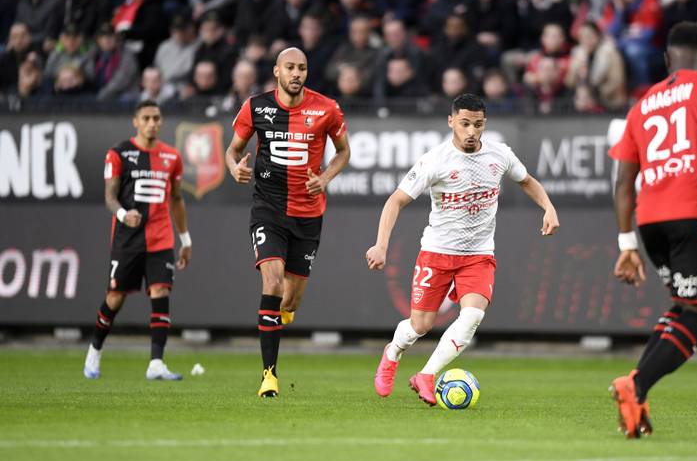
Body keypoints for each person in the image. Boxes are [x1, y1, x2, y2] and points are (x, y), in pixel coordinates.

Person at [367, 93, 560, 406]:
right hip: (437, 252)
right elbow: (396, 200)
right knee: (421, 325)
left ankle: (426, 375)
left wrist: (548, 207)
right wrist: (381, 244)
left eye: (478, 125)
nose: (471, 131)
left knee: (472, 315)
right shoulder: (435, 161)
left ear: (485, 125)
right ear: (451, 122)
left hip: (478, 255)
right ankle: (392, 353)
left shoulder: (499, 154)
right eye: (465, 124)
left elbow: (527, 181)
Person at [607, 21, 697, 438]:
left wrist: (627, 243)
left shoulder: (644, 102)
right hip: (694, 213)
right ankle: (636, 385)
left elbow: (622, 182)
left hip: (650, 222)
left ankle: (638, 393)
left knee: (686, 307)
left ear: (667, 60)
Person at [225, 47, 351, 398]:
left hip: (308, 213)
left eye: (303, 68)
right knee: (273, 280)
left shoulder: (326, 108)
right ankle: (269, 375)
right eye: (290, 68)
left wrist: (324, 178)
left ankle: (281, 316)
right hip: (269, 207)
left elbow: (344, 152)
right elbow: (232, 150)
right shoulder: (256, 106)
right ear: (277, 71)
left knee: (290, 301)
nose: (297, 74)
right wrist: (235, 167)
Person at [83, 100, 192, 381]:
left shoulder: (171, 157)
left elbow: (177, 199)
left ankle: (156, 362)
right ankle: (95, 350)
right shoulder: (119, 153)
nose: (152, 123)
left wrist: (185, 239)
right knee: (115, 298)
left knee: (160, 292)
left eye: (156, 118)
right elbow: (110, 195)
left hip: (161, 238)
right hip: (127, 239)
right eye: (146, 118)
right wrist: (122, 213)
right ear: (136, 121)